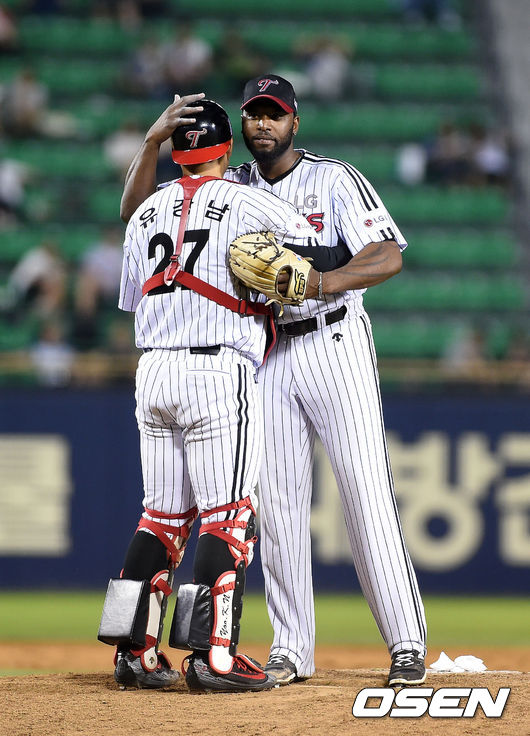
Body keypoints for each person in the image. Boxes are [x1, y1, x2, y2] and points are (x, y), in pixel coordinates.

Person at [119, 76, 427, 688]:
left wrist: (323, 282)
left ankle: (406, 644)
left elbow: (387, 254)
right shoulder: (230, 185)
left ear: (294, 122)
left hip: (333, 340)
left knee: (365, 495)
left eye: (275, 114)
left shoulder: (334, 178)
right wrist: (151, 145)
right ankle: (291, 650)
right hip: (267, 354)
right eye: (255, 114)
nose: (264, 123)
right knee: (279, 510)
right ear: (239, 129)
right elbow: (140, 217)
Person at [98, 99, 337, 693]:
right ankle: (214, 657)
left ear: (176, 152)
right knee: (228, 516)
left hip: (153, 370)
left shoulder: (145, 212)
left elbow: (133, 297)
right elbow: (313, 251)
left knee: (160, 516)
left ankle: (134, 652)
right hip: (216, 369)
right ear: (226, 150)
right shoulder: (250, 200)